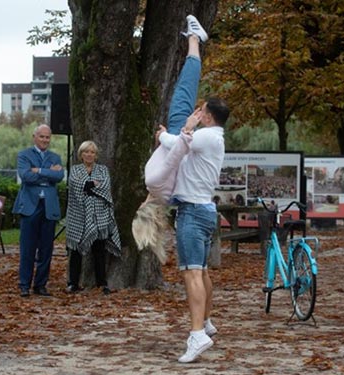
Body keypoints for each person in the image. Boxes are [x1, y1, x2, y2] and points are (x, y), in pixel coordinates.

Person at [133, 15, 229, 363]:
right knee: (200, 271)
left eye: (201, 110)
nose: (197, 110)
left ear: (206, 117)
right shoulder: (215, 139)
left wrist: (163, 135)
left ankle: (197, 334)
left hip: (192, 211)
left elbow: (177, 141)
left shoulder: (203, 135)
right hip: (202, 210)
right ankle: (205, 322)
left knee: (191, 273)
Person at [13, 124, 64, 297]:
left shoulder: (55, 156)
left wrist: (40, 171)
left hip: (49, 207)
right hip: (30, 207)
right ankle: (24, 284)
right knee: (27, 248)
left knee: (46, 249)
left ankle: (41, 285)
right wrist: (49, 173)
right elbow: (26, 176)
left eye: (47, 137)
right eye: (42, 137)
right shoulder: (24, 155)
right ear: (34, 137)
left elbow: (59, 176)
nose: (45, 140)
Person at [65, 141, 121, 295]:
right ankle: (73, 283)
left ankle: (101, 283)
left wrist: (88, 186)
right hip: (79, 217)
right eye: (86, 152)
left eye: (92, 152)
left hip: (100, 216)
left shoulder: (102, 170)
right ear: (81, 154)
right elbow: (76, 186)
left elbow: (105, 187)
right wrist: (90, 184)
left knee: (99, 251)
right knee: (75, 251)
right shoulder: (75, 170)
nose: (89, 155)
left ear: (96, 155)